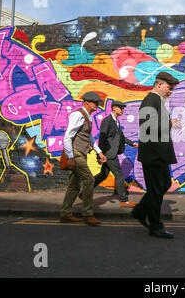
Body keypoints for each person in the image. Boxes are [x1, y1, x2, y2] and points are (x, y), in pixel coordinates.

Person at [131, 71, 181, 239]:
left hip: (159, 153)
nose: (170, 91)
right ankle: (155, 226)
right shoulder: (150, 101)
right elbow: (147, 127)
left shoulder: (157, 101)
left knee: (163, 184)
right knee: (156, 189)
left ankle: (139, 210)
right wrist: (169, 123)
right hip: (153, 154)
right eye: (169, 87)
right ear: (159, 85)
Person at [60, 92, 107, 226]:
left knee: (74, 185)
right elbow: (68, 136)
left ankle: (65, 213)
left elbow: (89, 137)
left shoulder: (87, 116)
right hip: (76, 153)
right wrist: (70, 157)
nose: (97, 105)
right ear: (87, 102)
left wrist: (99, 152)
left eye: (98, 103)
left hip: (81, 153)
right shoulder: (77, 115)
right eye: (95, 103)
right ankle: (87, 214)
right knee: (89, 179)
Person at [94, 100, 139, 207]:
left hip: (110, 154)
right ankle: (124, 200)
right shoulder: (107, 121)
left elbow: (121, 137)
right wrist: (99, 155)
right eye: (121, 108)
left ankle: (85, 190)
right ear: (114, 108)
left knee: (102, 175)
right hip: (109, 154)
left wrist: (132, 143)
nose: (123, 110)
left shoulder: (116, 121)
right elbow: (102, 138)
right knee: (119, 175)